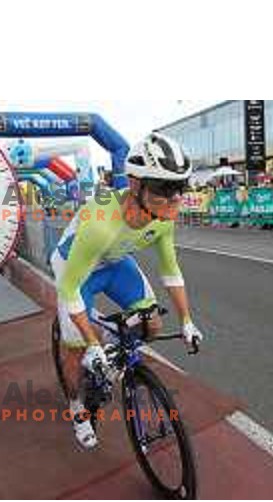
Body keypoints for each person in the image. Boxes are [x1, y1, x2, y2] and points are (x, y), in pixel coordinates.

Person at [50, 132, 204, 450]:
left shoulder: (164, 214)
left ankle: (109, 344)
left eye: (181, 187)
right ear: (135, 184)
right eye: (164, 189)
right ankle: (78, 409)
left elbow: (170, 270)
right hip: (77, 269)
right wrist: (90, 342)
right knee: (77, 347)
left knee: (152, 324)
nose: (175, 199)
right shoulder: (101, 219)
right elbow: (68, 286)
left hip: (115, 261)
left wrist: (187, 320)